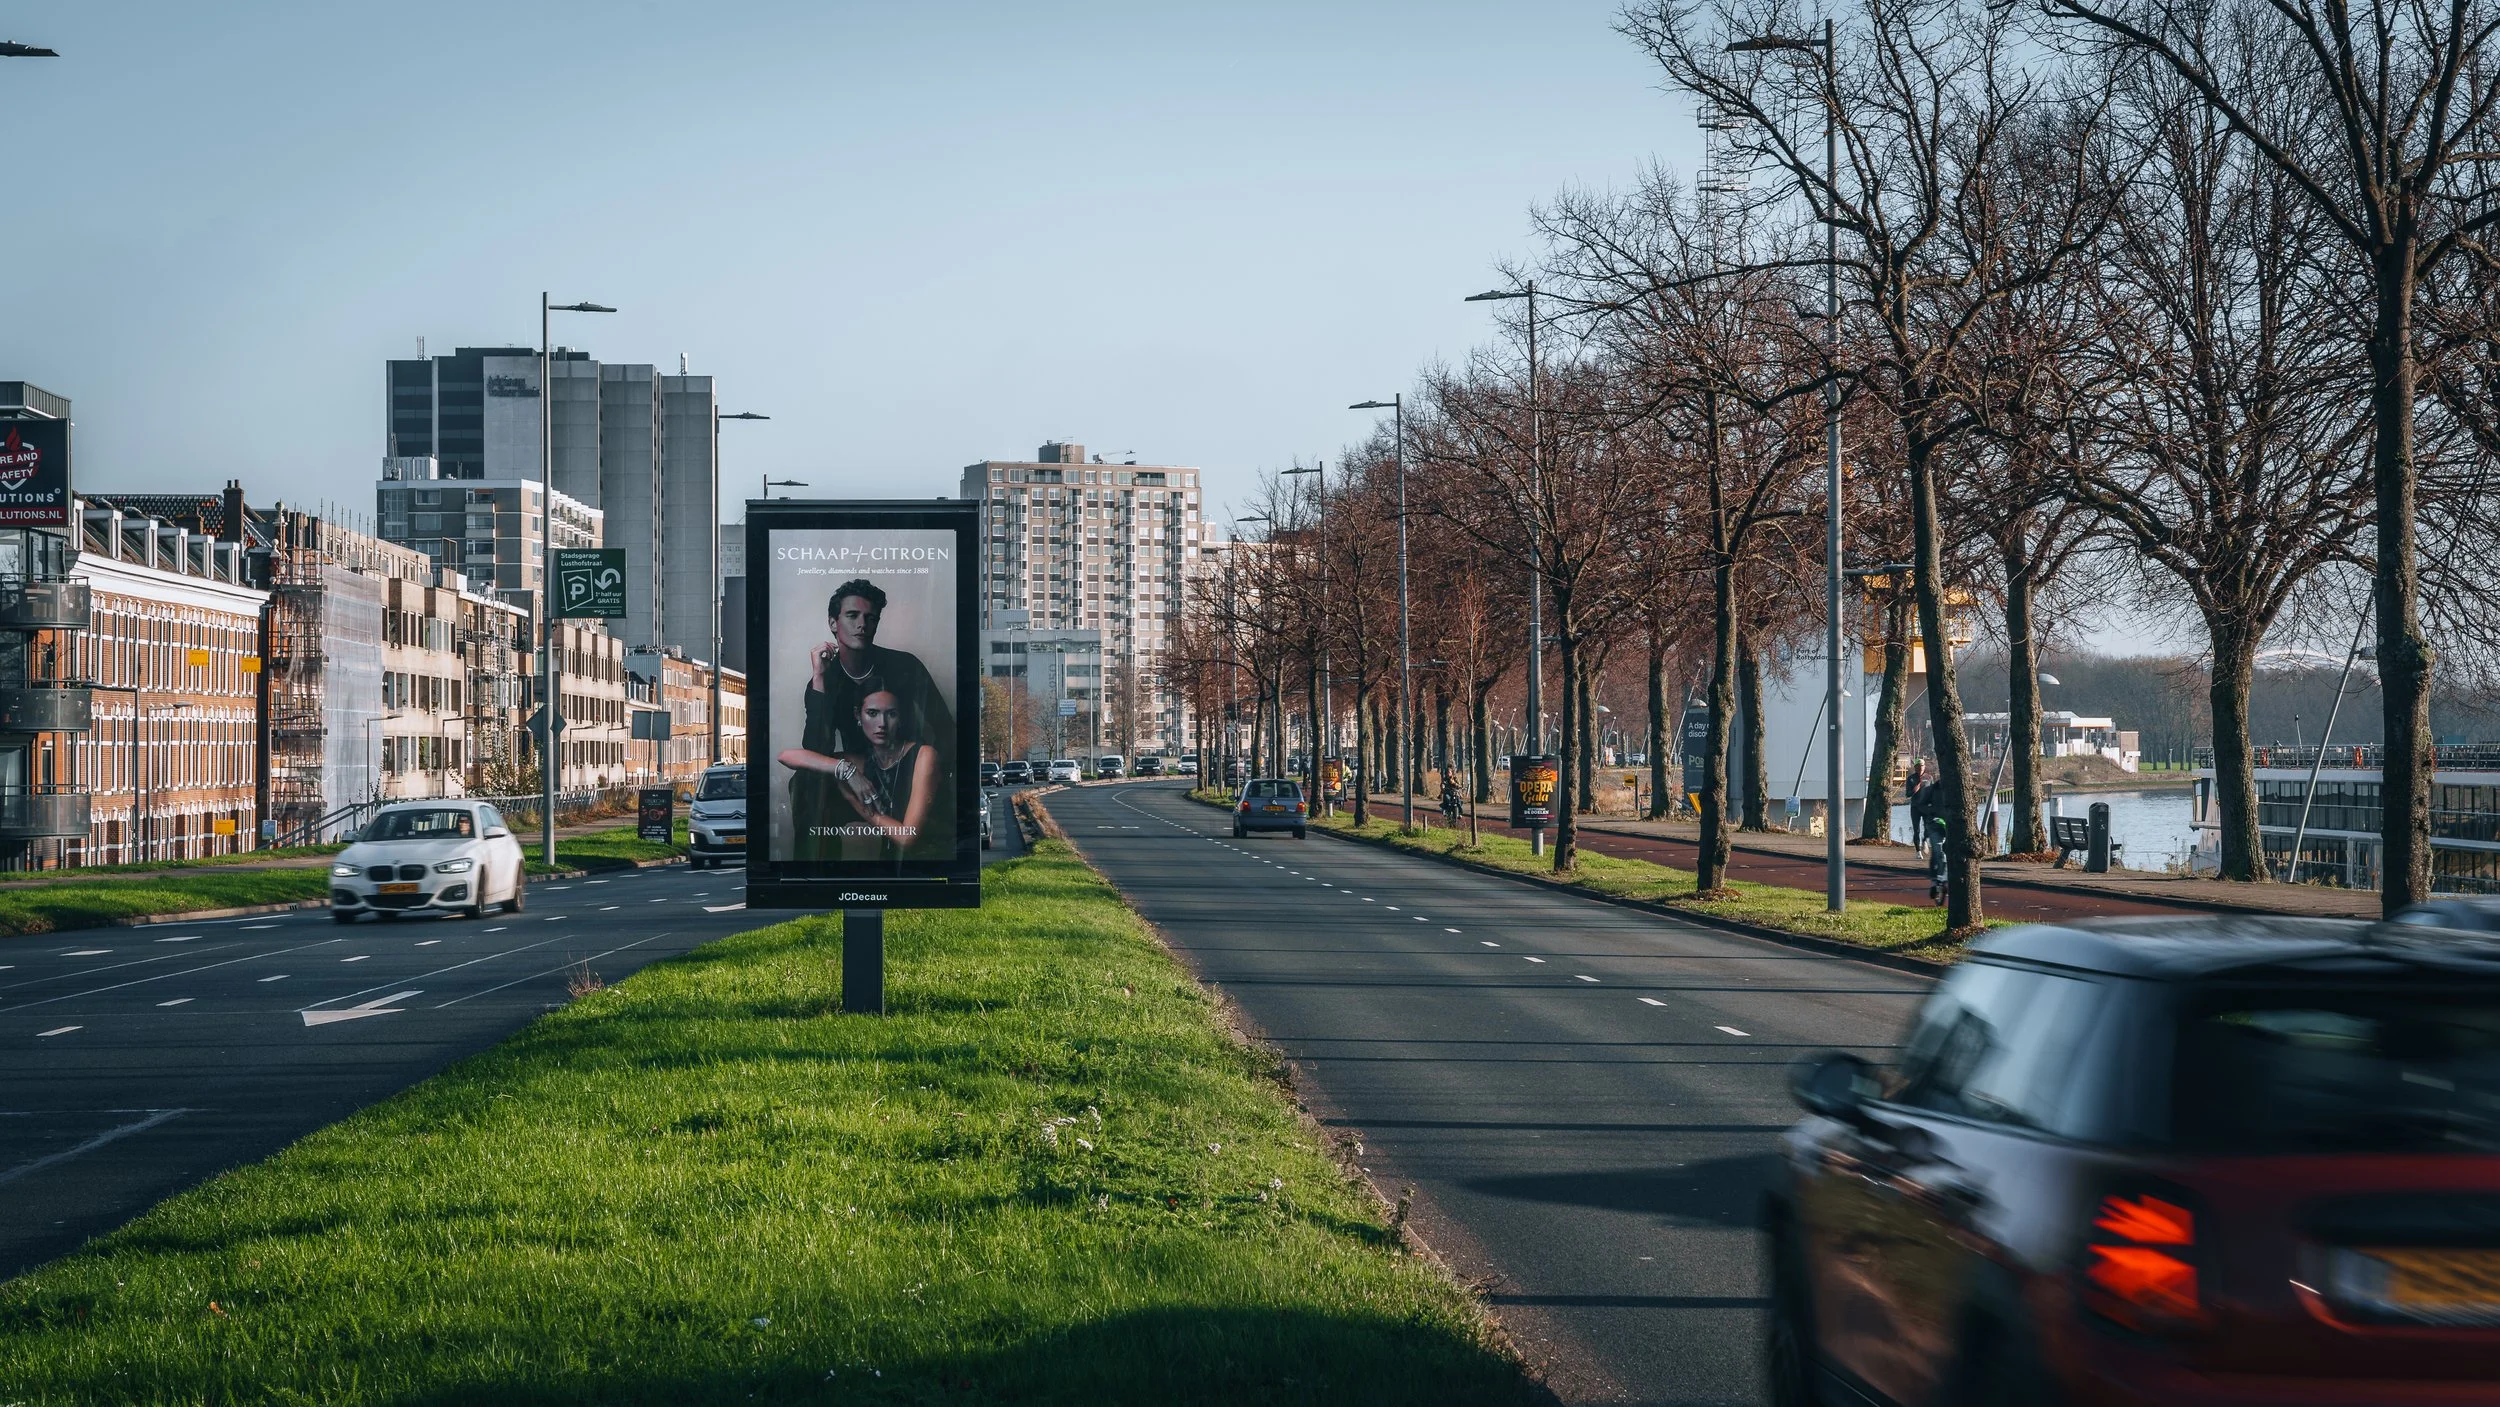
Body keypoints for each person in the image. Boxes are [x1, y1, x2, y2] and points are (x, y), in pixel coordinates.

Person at [779, 678, 951, 861]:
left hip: (929, 863)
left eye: (891, 714)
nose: (882, 723)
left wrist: (853, 799)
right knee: (806, 779)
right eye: (872, 713)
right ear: (858, 716)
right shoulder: (861, 761)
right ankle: (814, 879)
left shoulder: (924, 755)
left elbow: (907, 837)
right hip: (890, 863)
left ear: (900, 718)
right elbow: (787, 756)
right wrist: (847, 771)